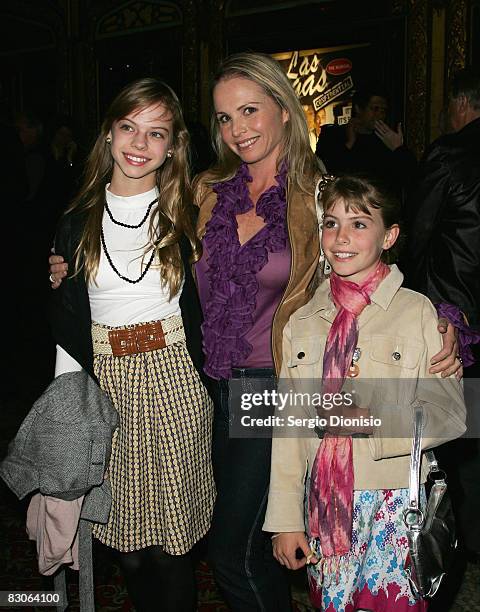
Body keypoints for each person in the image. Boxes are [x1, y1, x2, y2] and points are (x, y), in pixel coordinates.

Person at [48, 54, 461, 610]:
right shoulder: (203, 191)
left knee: (235, 552)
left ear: (285, 112)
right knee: (210, 538)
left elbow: (382, 255)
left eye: (249, 111)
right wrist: (67, 270)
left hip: (273, 388)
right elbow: (139, 254)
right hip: (201, 386)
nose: (237, 130)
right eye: (223, 118)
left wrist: (445, 322)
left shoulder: (320, 195)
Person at [49, 78, 215, 612]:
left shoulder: (188, 213)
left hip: (175, 380)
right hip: (107, 387)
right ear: (108, 134)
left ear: (174, 146)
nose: (139, 145)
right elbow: (69, 323)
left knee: (173, 548)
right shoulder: (75, 222)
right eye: (129, 128)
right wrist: (65, 410)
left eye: (156, 133)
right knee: (129, 547)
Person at [264, 174, 466, 611]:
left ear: (389, 235)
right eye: (331, 223)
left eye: (359, 224)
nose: (341, 237)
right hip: (326, 505)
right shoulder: (301, 322)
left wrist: (373, 422)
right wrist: (284, 520)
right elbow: (290, 430)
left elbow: (450, 412)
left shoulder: (417, 313)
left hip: (395, 505)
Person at [405, 67, 480, 569]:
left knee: (455, 436)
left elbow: (416, 231)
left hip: (455, 315)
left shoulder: (452, 153)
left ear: (460, 104)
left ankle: (458, 541)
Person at [315, 85, 417, 198]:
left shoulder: (386, 141)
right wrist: (349, 144)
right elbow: (323, 173)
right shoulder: (333, 135)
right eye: (375, 109)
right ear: (359, 109)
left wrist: (399, 149)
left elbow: (412, 178)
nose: (380, 115)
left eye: (383, 111)